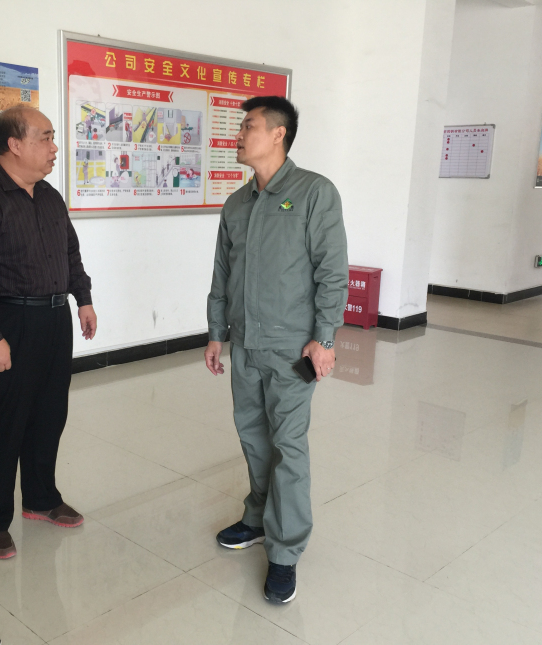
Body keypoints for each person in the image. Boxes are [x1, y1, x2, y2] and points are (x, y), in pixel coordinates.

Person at [204, 96, 348, 604]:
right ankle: (257, 517)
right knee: (253, 437)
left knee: (288, 446)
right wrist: (216, 332)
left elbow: (333, 272)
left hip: (293, 349)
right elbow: (222, 273)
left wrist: (324, 339)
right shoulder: (237, 203)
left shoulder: (314, 193)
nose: (239, 135)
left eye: (248, 126)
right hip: (245, 345)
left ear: (278, 134)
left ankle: (285, 551)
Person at [0, 106, 96, 560]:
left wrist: (83, 298)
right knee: (2, 423)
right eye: (45, 138)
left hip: (54, 320)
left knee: (49, 414)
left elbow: (70, 252)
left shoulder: (49, 196)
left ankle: (41, 498)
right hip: (8, 323)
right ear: (14, 145)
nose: (54, 148)